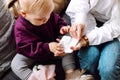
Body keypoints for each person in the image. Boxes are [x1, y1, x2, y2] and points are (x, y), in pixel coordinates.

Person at [7, 0, 88, 80]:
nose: (46, 19)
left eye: (49, 14)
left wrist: (62, 27)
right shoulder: (20, 27)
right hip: (34, 51)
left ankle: (70, 73)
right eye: (40, 19)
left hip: (54, 45)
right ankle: (36, 78)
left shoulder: (46, 14)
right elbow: (26, 48)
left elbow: (57, 20)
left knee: (68, 42)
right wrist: (48, 47)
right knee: (16, 64)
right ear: (24, 14)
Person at [66, 0, 120, 80]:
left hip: (115, 32)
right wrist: (79, 21)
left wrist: (87, 40)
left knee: (108, 69)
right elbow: (80, 4)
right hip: (88, 21)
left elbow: (115, 27)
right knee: (90, 58)